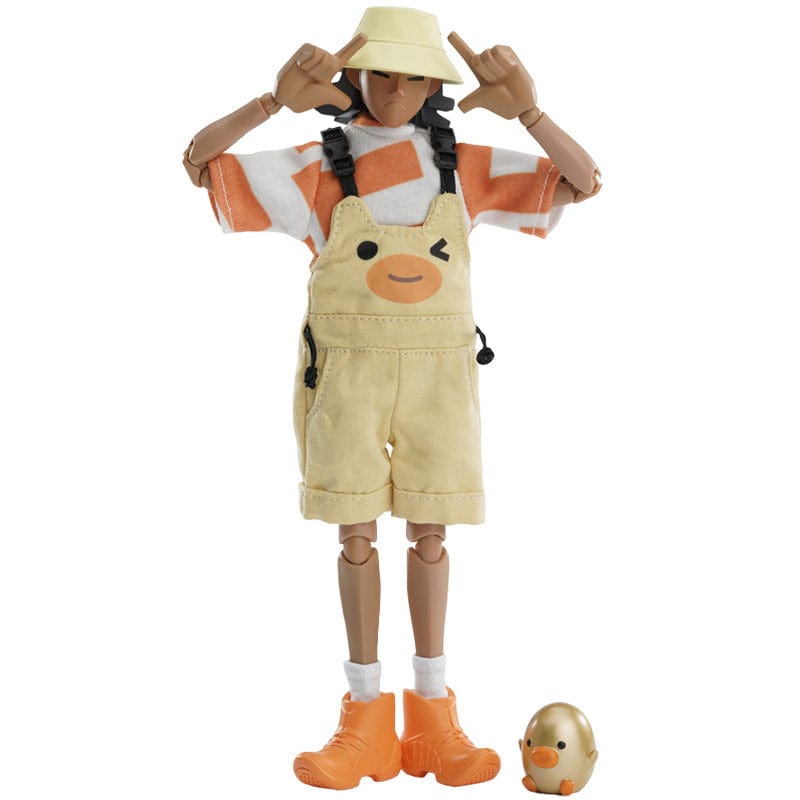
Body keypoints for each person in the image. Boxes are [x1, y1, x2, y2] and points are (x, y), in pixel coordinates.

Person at [183, 6, 600, 791]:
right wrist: (271, 102)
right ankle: (366, 720)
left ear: (437, 84)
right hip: (348, 374)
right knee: (355, 537)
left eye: (415, 77)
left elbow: (583, 182)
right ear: (353, 76)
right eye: (382, 74)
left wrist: (531, 111)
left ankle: (434, 715)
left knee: (432, 536)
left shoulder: (461, 165)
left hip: (440, 377)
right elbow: (201, 164)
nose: (398, 92)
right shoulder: (317, 165)